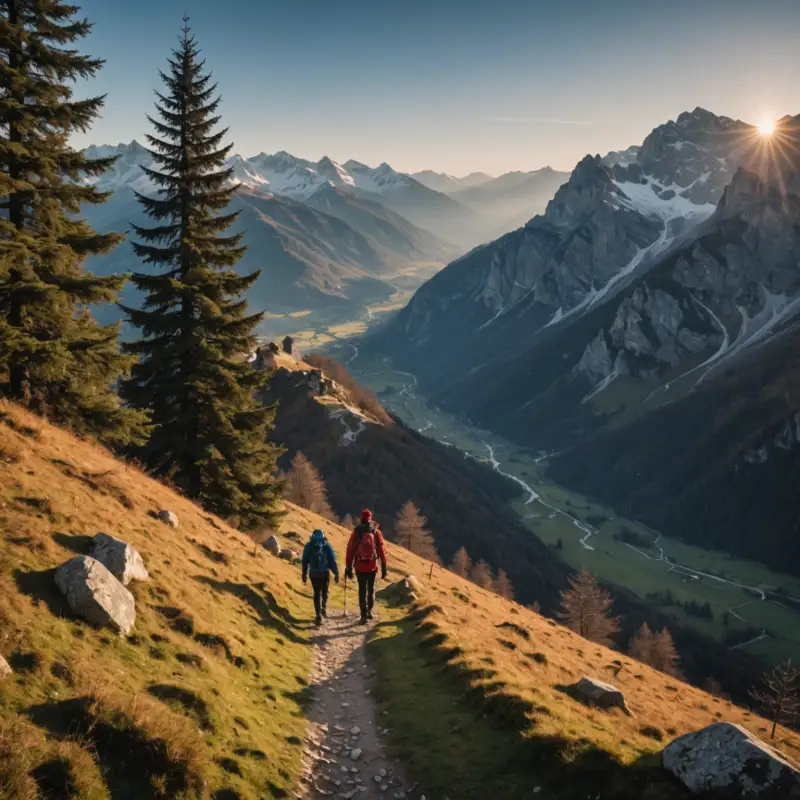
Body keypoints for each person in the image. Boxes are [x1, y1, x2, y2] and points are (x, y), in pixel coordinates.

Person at [345, 509, 387, 624]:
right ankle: (369, 611)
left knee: (362, 590)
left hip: (359, 565)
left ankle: (363, 615)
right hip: (372, 566)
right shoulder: (376, 532)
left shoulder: (356, 532)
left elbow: (350, 550)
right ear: (370, 518)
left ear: (361, 518)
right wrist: (384, 565)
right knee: (371, 589)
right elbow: (381, 550)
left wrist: (348, 567)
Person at [302, 528, 339, 626]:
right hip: (324, 573)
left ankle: (318, 615)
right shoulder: (326, 546)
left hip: (313, 574)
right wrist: (336, 573)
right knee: (324, 592)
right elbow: (332, 561)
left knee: (316, 593)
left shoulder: (309, 546)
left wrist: (304, 574)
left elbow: (305, 561)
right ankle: (323, 608)